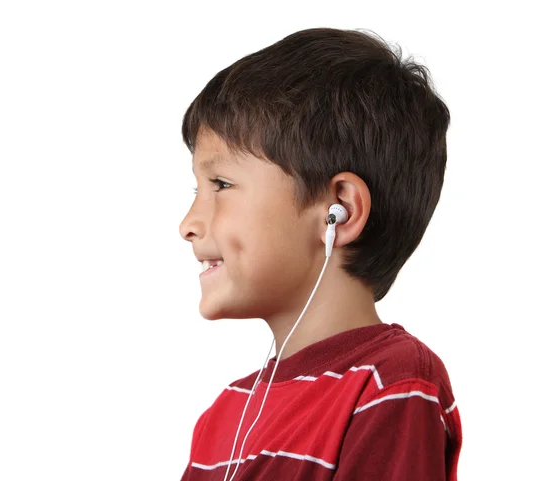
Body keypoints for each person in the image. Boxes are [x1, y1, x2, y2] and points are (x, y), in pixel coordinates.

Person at [178, 27, 462, 481]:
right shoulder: (224, 415)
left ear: (339, 211)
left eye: (222, 185)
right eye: (198, 188)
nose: (188, 224)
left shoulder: (391, 384)